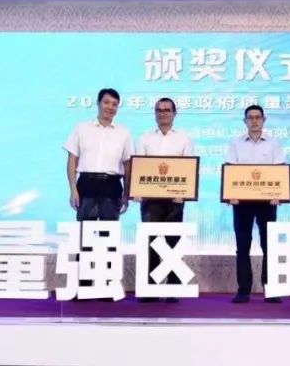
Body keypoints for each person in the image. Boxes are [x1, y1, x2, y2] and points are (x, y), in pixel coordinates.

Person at [134, 97, 195, 303]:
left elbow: (188, 169)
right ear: (155, 113)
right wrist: (137, 191)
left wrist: (183, 193)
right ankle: (149, 289)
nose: (163, 113)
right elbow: (139, 168)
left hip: (175, 199)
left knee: (172, 242)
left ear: (174, 113)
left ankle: (173, 288)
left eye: (167, 110)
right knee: (150, 242)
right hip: (150, 199)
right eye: (159, 110)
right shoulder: (144, 138)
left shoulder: (184, 138)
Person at [225, 104, 286, 304]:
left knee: (270, 246)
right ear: (245, 121)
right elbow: (230, 171)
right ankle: (243, 290)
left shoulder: (274, 143)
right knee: (242, 246)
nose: (254, 121)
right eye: (250, 117)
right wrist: (230, 194)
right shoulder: (235, 143)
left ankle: (271, 290)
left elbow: (280, 171)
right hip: (241, 202)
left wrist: (279, 194)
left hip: (267, 202)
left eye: (258, 117)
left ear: (264, 120)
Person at [64, 88, 133, 222]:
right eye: (106, 102)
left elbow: (128, 165)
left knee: (109, 231)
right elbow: (72, 160)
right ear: (98, 103)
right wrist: (73, 189)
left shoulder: (124, 132)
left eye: (114, 104)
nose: (110, 107)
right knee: (86, 230)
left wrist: (126, 193)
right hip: (86, 184)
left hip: (112, 186)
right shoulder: (81, 128)